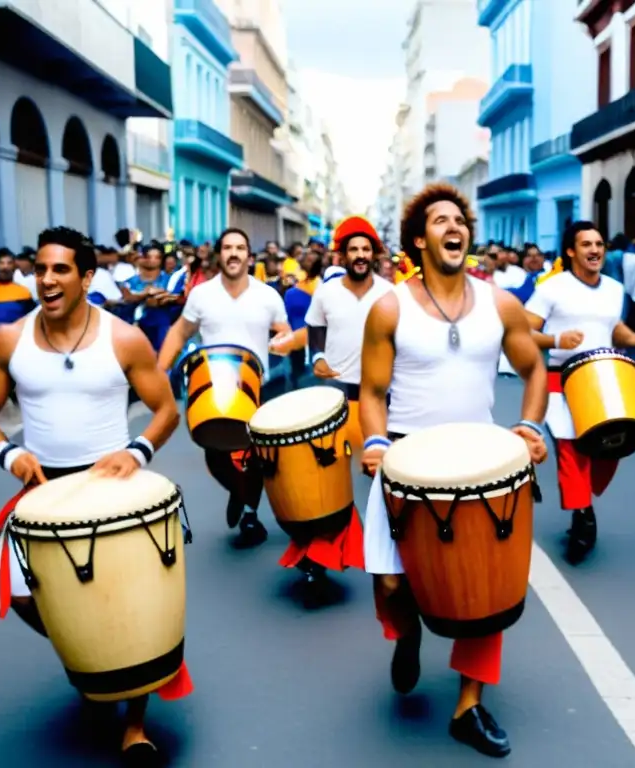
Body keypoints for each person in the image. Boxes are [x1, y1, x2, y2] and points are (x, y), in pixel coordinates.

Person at [0, 226, 185, 766]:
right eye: (40, 269)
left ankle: (135, 726)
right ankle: (92, 651)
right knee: (22, 597)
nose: (47, 279)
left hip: (116, 490)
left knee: (135, 608)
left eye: (61, 269)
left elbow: (166, 409)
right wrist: (8, 456)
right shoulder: (9, 340)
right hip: (43, 494)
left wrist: (136, 453)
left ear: (87, 277)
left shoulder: (124, 338)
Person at [361, 183, 548, 757]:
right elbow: (371, 390)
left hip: (483, 466)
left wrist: (532, 427)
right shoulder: (390, 306)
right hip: (407, 460)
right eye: (441, 221)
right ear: (420, 239)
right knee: (392, 585)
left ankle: (470, 705)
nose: (454, 227)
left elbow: (535, 368)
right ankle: (409, 633)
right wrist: (373, 439)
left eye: (460, 220)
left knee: (483, 592)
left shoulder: (502, 304)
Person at [525, 221, 635, 564]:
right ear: (571, 251)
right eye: (586, 244)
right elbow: (522, 331)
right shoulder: (551, 288)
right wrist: (556, 340)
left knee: (610, 447)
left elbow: (613, 328)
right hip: (561, 379)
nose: (595, 250)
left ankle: (583, 503)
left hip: (605, 378)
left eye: (599, 244)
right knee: (571, 448)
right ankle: (583, 516)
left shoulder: (614, 288)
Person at [158, 228, 292, 546]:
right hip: (213, 387)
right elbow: (180, 332)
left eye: (240, 248)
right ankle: (237, 490)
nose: (234, 253)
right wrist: (159, 370)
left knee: (252, 455)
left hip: (256, 387)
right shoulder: (202, 294)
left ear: (249, 255)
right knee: (215, 454)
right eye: (228, 248)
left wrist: (282, 342)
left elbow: (284, 333)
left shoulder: (267, 295)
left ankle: (249, 512)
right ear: (219, 255)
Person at [308, 215, 393, 449]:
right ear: (343, 256)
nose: (360, 255)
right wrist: (318, 357)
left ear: (373, 254)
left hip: (381, 393)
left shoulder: (390, 293)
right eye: (354, 249)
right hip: (338, 389)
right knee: (337, 460)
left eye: (366, 249)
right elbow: (315, 326)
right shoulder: (326, 292)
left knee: (378, 462)